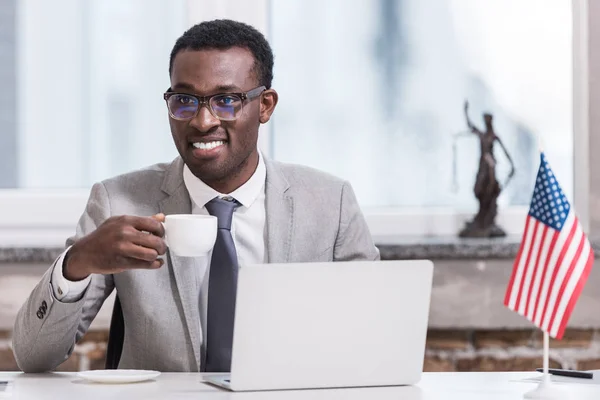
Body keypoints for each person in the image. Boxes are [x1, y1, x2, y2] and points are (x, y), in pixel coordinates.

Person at [12, 19, 379, 373]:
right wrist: (78, 261)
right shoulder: (117, 201)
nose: (202, 121)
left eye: (226, 100)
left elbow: (374, 339)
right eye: (185, 100)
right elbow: (33, 357)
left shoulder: (331, 204)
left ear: (265, 105)